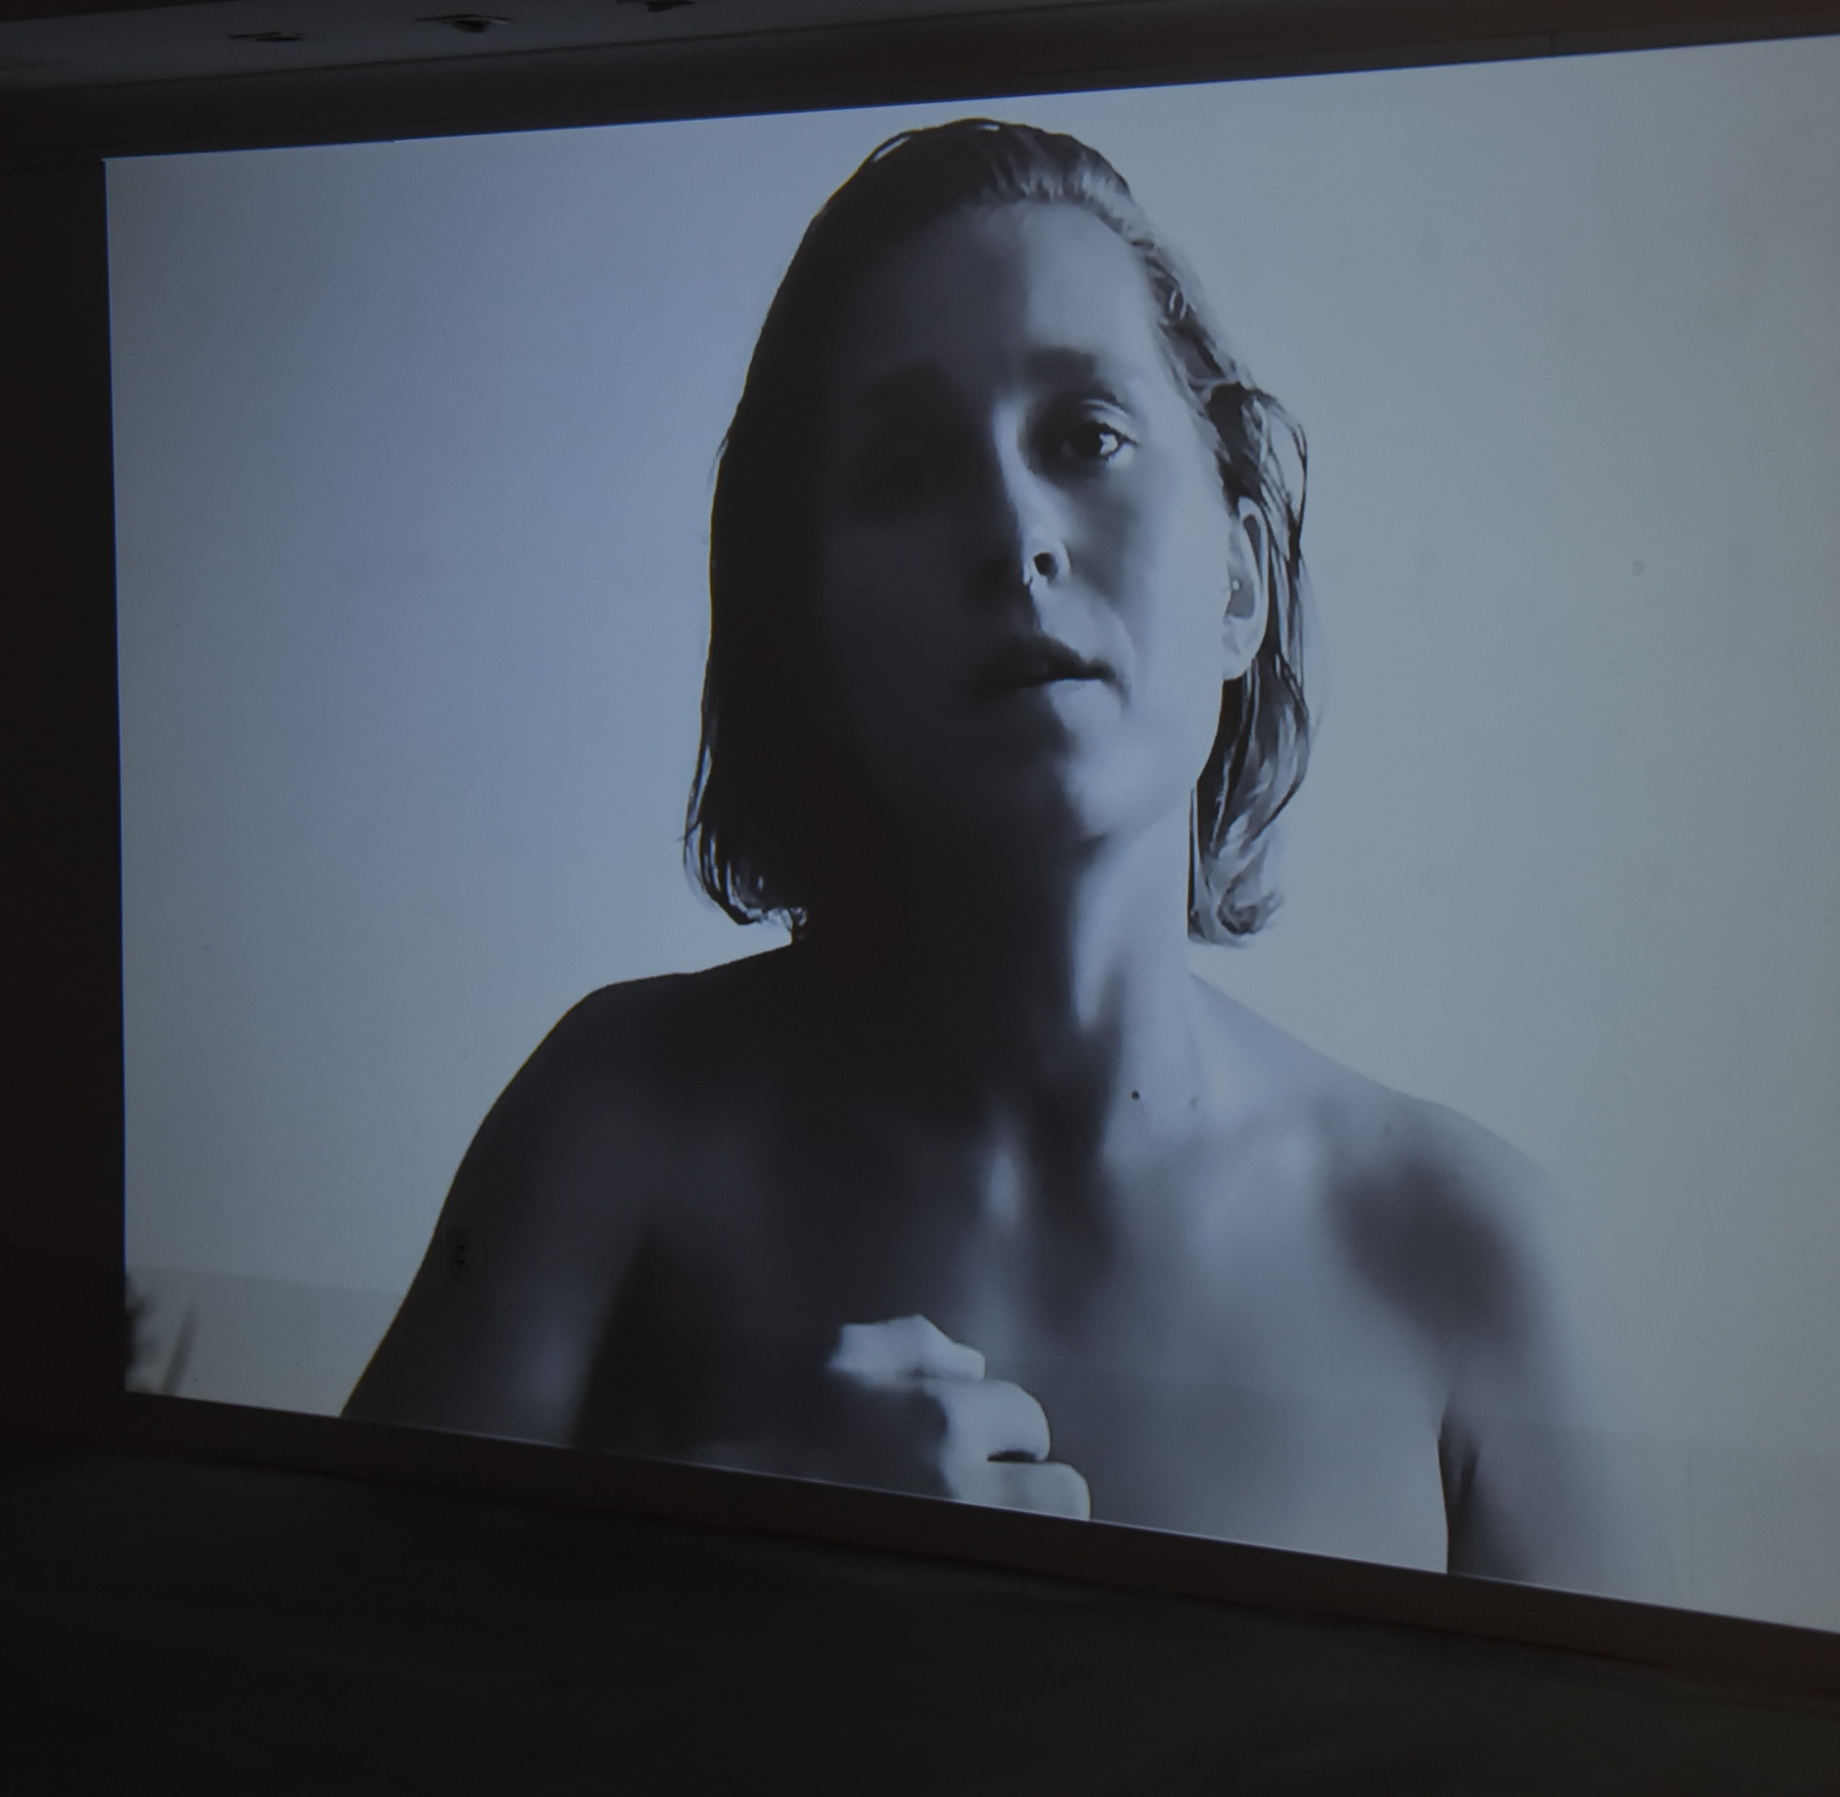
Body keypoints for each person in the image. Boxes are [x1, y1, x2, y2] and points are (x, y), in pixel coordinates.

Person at [349, 120, 1643, 1592]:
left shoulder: (1475, 1263)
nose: (1013, 530)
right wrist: (728, 1556)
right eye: (906, 471)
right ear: (811, 638)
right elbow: (299, 1677)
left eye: (1087, 438)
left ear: (1240, 579)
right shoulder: (616, 1128)